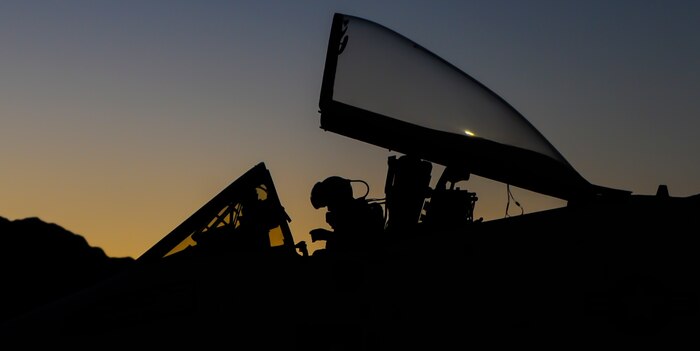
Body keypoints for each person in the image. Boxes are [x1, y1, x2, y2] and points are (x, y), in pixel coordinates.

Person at [309, 176, 384, 256]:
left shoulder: (361, 214)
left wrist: (327, 235)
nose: (329, 209)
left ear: (339, 198)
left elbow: (356, 243)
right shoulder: (350, 213)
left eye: (330, 203)